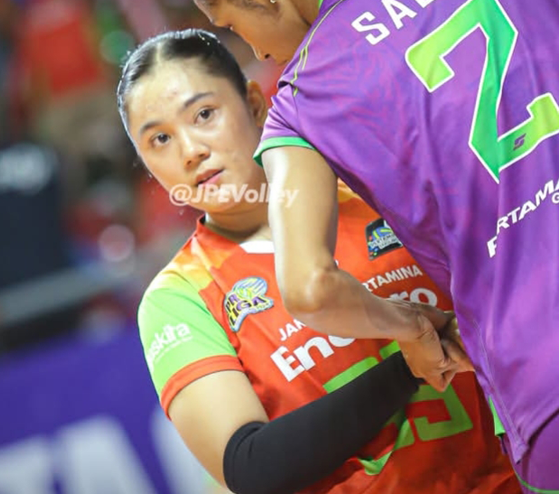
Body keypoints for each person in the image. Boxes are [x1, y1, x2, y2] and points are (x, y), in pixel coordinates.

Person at [117, 29, 519, 494]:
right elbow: (252, 466)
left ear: (254, 104)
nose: (191, 151)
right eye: (160, 139)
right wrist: (406, 369)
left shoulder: (379, 189)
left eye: (204, 114)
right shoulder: (178, 297)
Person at [191, 0, 559, 490]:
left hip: (538, 372)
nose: (256, 50)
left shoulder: (302, 101)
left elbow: (309, 288)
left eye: (233, 25)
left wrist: (415, 327)